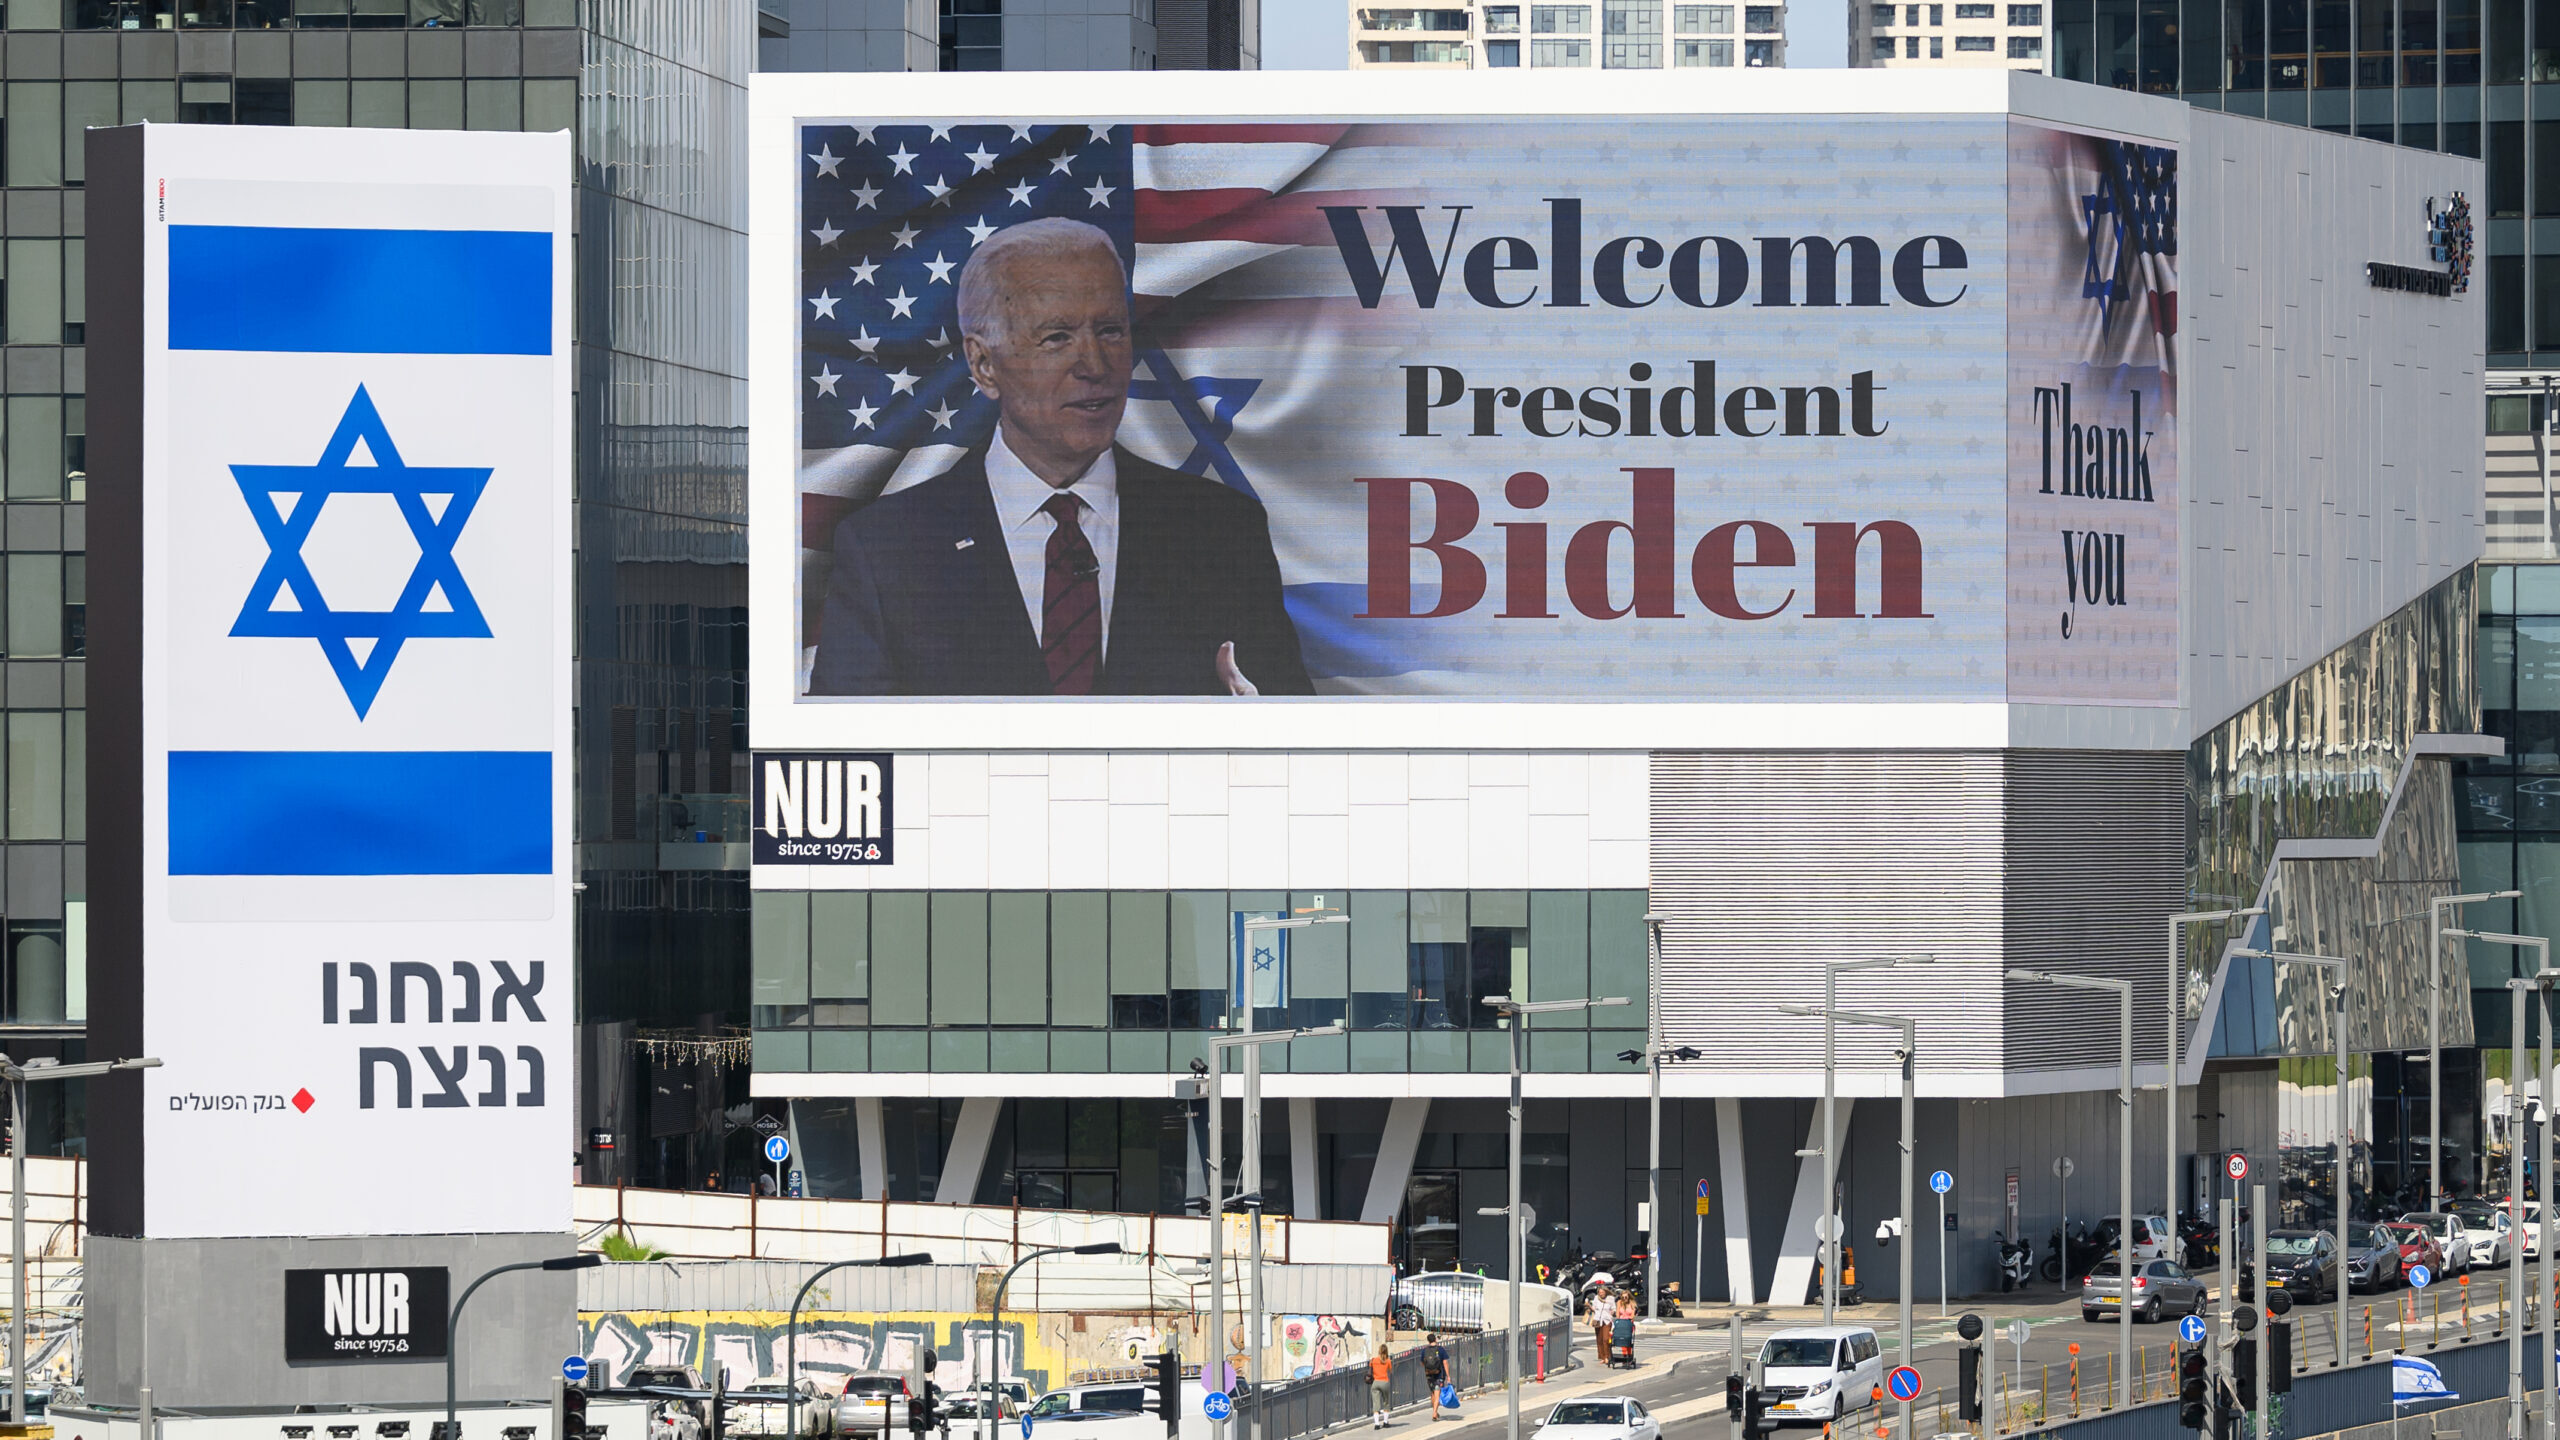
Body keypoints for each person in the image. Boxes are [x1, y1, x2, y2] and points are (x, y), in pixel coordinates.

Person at [810, 217, 1314, 698]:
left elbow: (1287, 731)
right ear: (984, 365)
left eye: (1110, 330)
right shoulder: (888, 550)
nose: (1094, 365)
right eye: (1056, 337)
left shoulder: (1222, 532)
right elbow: (851, 746)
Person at [1420, 1333, 1449, 1421]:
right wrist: (1448, 1375)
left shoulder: (1424, 1350)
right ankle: (1434, 1413)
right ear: (1435, 1339)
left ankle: (1435, 1411)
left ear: (1428, 1341)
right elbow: (1445, 1362)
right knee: (1437, 1395)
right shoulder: (1440, 1349)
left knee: (1432, 1393)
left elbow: (1422, 1363)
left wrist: (1428, 1368)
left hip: (1429, 1375)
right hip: (1439, 1375)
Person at [1368, 1345, 1393, 1429]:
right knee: (1386, 1402)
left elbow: (1370, 1369)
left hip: (1375, 1382)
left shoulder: (1373, 1360)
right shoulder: (1388, 1361)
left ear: (1379, 1351)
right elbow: (1390, 1371)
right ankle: (1385, 1422)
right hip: (1384, 1382)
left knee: (1376, 1404)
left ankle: (1377, 1424)